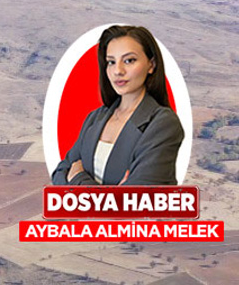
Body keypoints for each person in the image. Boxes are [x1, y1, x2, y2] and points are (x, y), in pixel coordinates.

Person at [51, 25, 184, 186]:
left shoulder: (163, 124)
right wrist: (111, 195)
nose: (118, 71)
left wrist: (77, 178)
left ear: (151, 65)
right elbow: (60, 173)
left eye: (129, 60)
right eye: (111, 62)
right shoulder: (96, 117)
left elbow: (132, 203)